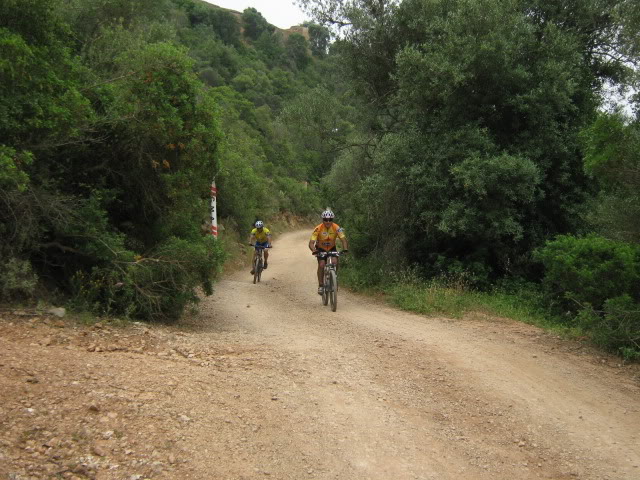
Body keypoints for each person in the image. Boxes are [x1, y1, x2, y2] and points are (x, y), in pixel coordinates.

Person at [309, 210, 348, 295]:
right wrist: (314, 251)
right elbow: (311, 243)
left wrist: (345, 249)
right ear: (322, 220)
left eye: (330, 219)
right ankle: (321, 285)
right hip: (321, 249)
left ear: (332, 220)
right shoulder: (318, 228)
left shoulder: (336, 227)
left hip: (331, 248)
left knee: (335, 261)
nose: (328, 221)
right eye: (325, 220)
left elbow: (343, 240)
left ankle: (334, 277)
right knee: (322, 264)